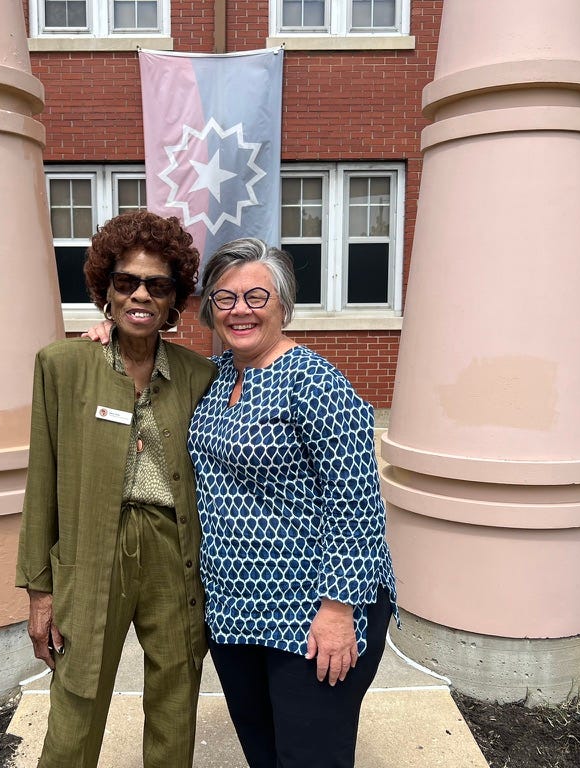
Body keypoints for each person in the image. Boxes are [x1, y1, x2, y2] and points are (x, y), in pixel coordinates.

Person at [15, 210, 216, 768]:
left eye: (157, 285)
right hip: (92, 549)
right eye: (126, 282)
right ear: (106, 288)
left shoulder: (199, 375)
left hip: (172, 548)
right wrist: (39, 590)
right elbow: (42, 486)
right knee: (78, 692)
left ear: (174, 298)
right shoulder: (62, 366)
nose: (140, 296)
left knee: (177, 692)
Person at [188, 238, 398, 768]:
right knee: (264, 753)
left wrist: (337, 611)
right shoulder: (215, 380)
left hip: (310, 612)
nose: (240, 310)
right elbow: (143, 364)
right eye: (224, 298)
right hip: (234, 612)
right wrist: (106, 334)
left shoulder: (315, 382)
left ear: (284, 305)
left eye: (257, 296)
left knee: (310, 758)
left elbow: (357, 502)